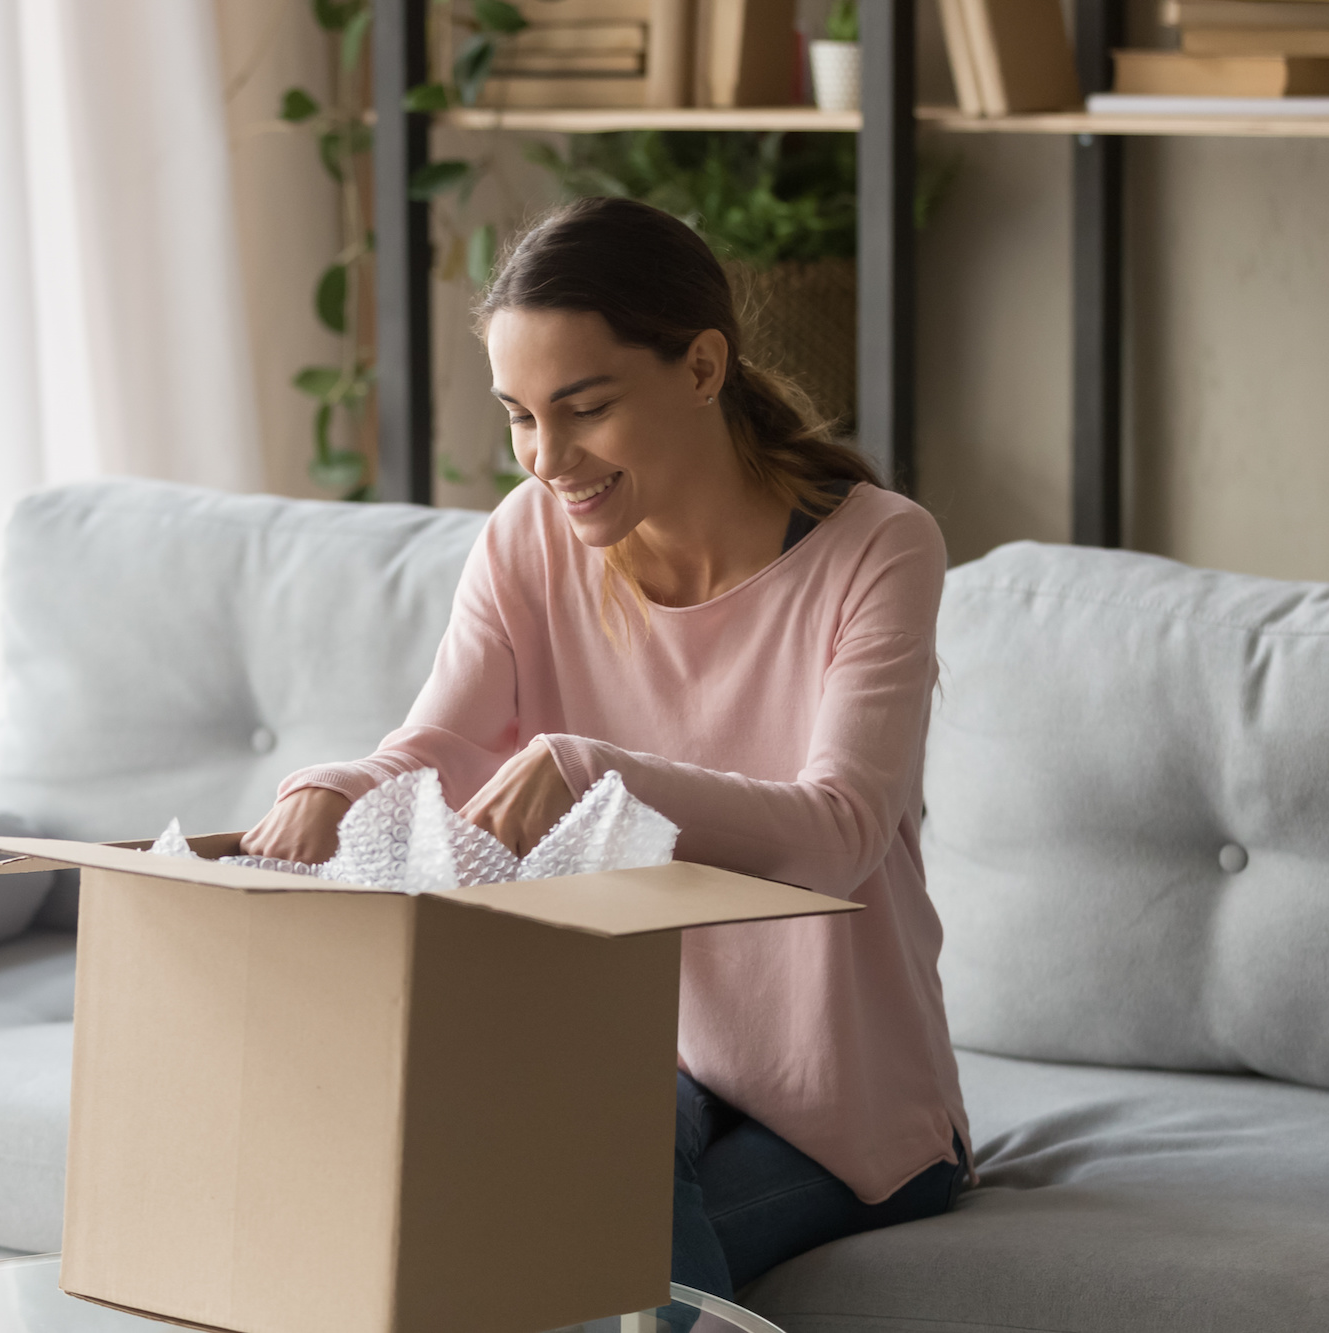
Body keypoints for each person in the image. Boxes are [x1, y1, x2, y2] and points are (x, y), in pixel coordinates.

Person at [242, 195, 970, 1306]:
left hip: (851, 1107)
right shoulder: (526, 538)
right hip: (639, 1065)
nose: (545, 459)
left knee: (549, 1252)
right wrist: (330, 789)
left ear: (700, 366)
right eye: (519, 417)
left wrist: (597, 770)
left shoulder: (877, 547)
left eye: (581, 408)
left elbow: (839, 833)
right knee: (513, 1215)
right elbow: (439, 742)